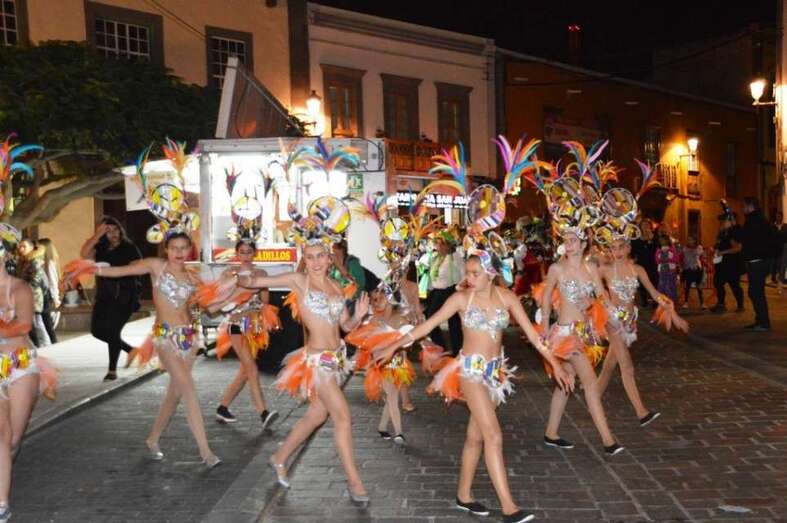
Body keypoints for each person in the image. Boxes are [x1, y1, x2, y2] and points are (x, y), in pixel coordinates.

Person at [374, 254, 571, 523]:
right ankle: (509, 508)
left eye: (475, 273)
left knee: (475, 437)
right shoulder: (460, 299)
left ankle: (463, 495)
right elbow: (428, 325)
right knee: (493, 436)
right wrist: (394, 345)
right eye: (467, 272)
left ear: (491, 273)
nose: (469, 278)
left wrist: (555, 364)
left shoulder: (506, 297)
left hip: (496, 375)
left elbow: (535, 337)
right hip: (470, 373)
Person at [212, 196, 370, 503]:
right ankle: (355, 482)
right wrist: (238, 275)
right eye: (310, 256)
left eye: (320, 256)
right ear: (304, 259)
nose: (316, 262)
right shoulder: (299, 281)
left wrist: (359, 316)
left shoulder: (337, 287)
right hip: (318, 363)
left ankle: (279, 457)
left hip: (337, 360)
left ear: (329, 257)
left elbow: (346, 327)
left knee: (317, 415)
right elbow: (257, 281)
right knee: (343, 417)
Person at [67, 231, 221, 468]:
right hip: (164, 337)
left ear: (190, 249)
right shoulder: (156, 266)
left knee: (175, 393)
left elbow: (210, 308)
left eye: (183, 248)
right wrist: (88, 269)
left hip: (188, 339)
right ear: (166, 249)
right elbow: (121, 271)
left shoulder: (194, 276)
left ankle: (153, 438)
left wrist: (231, 293)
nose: (179, 252)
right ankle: (205, 451)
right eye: (174, 248)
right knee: (188, 389)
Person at [540, 230, 623, 455]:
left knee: (565, 383)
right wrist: (545, 326)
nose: (568, 244)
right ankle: (608, 441)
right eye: (566, 240)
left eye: (573, 240)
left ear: (583, 244)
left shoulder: (590, 268)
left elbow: (601, 295)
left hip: (584, 334)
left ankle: (551, 433)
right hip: (566, 336)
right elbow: (546, 296)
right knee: (591, 384)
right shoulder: (557, 269)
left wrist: (604, 308)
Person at [599, 237, 687, 425]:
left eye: (621, 247)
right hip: (613, 322)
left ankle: (593, 399)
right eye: (613, 248)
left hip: (629, 323)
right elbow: (588, 282)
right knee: (627, 367)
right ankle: (641, 412)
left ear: (628, 248)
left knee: (608, 367)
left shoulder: (638, 270)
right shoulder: (605, 269)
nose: (617, 251)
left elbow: (655, 294)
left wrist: (674, 314)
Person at [211, 239, 279, 428]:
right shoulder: (229, 273)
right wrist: (238, 305)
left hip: (254, 327)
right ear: (237, 254)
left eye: (249, 252)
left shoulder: (261, 274)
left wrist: (251, 307)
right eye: (242, 252)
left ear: (254, 253)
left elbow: (265, 303)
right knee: (252, 369)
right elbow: (221, 302)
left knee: (245, 371)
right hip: (235, 326)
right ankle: (263, 412)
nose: (246, 256)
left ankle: (222, 407)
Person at [80, 217, 143, 381]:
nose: (113, 234)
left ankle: (112, 370)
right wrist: (96, 235)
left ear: (120, 230)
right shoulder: (100, 247)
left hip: (125, 294)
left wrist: (117, 270)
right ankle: (131, 350)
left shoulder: (129, 247)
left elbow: (138, 267)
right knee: (97, 331)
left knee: (113, 331)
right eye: (108, 231)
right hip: (104, 295)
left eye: (115, 229)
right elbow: (84, 254)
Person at [424, 234, 464, 354]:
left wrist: (460, 290)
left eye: (442, 244)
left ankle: (457, 351)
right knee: (430, 317)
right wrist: (429, 289)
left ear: (449, 245)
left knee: (454, 322)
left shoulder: (455, 257)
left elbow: (464, 275)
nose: (439, 247)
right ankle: (440, 347)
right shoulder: (436, 258)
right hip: (436, 292)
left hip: (450, 291)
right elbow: (432, 276)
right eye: (437, 244)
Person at [740, 197, 773, 331]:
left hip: (758, 262)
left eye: (744, 206)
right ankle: (760, 320)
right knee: (755, 292)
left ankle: (764, 323)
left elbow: (745, 237)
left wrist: (734, 228)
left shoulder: (754, 220)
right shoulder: (757, 219)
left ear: (750, 206)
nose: (742, 209)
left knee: (756, 292)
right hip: (758, 261)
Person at [17, 239, 51, 347]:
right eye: (20, 246)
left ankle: (46, 344)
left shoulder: (35, 261)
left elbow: (36, 279)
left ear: (31, 248)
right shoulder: (24, 261)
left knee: (37, 322)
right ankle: (38, 344)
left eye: (24, 246)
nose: (21, 249)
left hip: (34, 296)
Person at [710, 212, 744, 313]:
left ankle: (740, 305)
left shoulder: (733, 233)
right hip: (722, 263)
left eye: (723, 221)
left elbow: (738, 248)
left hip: (732, 264)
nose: (721, 223)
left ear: (730, 221)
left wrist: (722, 252)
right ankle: (721, 304)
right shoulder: (723, 233)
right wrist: (714, 249)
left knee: (734, 285)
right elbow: (719, 245)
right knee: (717, 282)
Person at [630, 218, 658, 307]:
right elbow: (633, 249)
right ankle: (644, 300)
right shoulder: (636, 237)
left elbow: (657, 248)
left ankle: (654, 300)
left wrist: (651, 240)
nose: (645, 226)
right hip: (641, 262)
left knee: (653, 280)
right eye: (643, 225)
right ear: (640, 227)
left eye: (647, 225)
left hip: (652, 262)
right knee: (641, 282)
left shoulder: (654, 237)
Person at [37, 239, 61, 338]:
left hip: (48, 298)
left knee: (48, 327)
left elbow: (53, 282)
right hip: (44, 297)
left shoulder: (49, 263)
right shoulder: (42, 262)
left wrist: (56, 299)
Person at [655, 234, 681, 304]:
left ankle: (671, 302)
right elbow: (657, 260)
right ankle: (663, 302)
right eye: (661, 240)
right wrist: (663, 257)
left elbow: (676, 259)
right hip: (662, 271)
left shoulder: (672, 248)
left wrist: (668, 256)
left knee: (670, 286)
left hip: (670, 271)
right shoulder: (658, 249)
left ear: (667, 240)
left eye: (664, 240)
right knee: (662, 286)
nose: (662, 241)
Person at [681, 236, 705, 309]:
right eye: (688, 240)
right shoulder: (684, 248)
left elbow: (702, 256)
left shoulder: (699, 248)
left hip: (697, 269)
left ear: (695, 240)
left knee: (699, 286)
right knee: (687, 286)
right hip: (688, 269)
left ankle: (702, 303)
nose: (689, 241)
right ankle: (686, 302)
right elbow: (682, 257)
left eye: (691, 239)